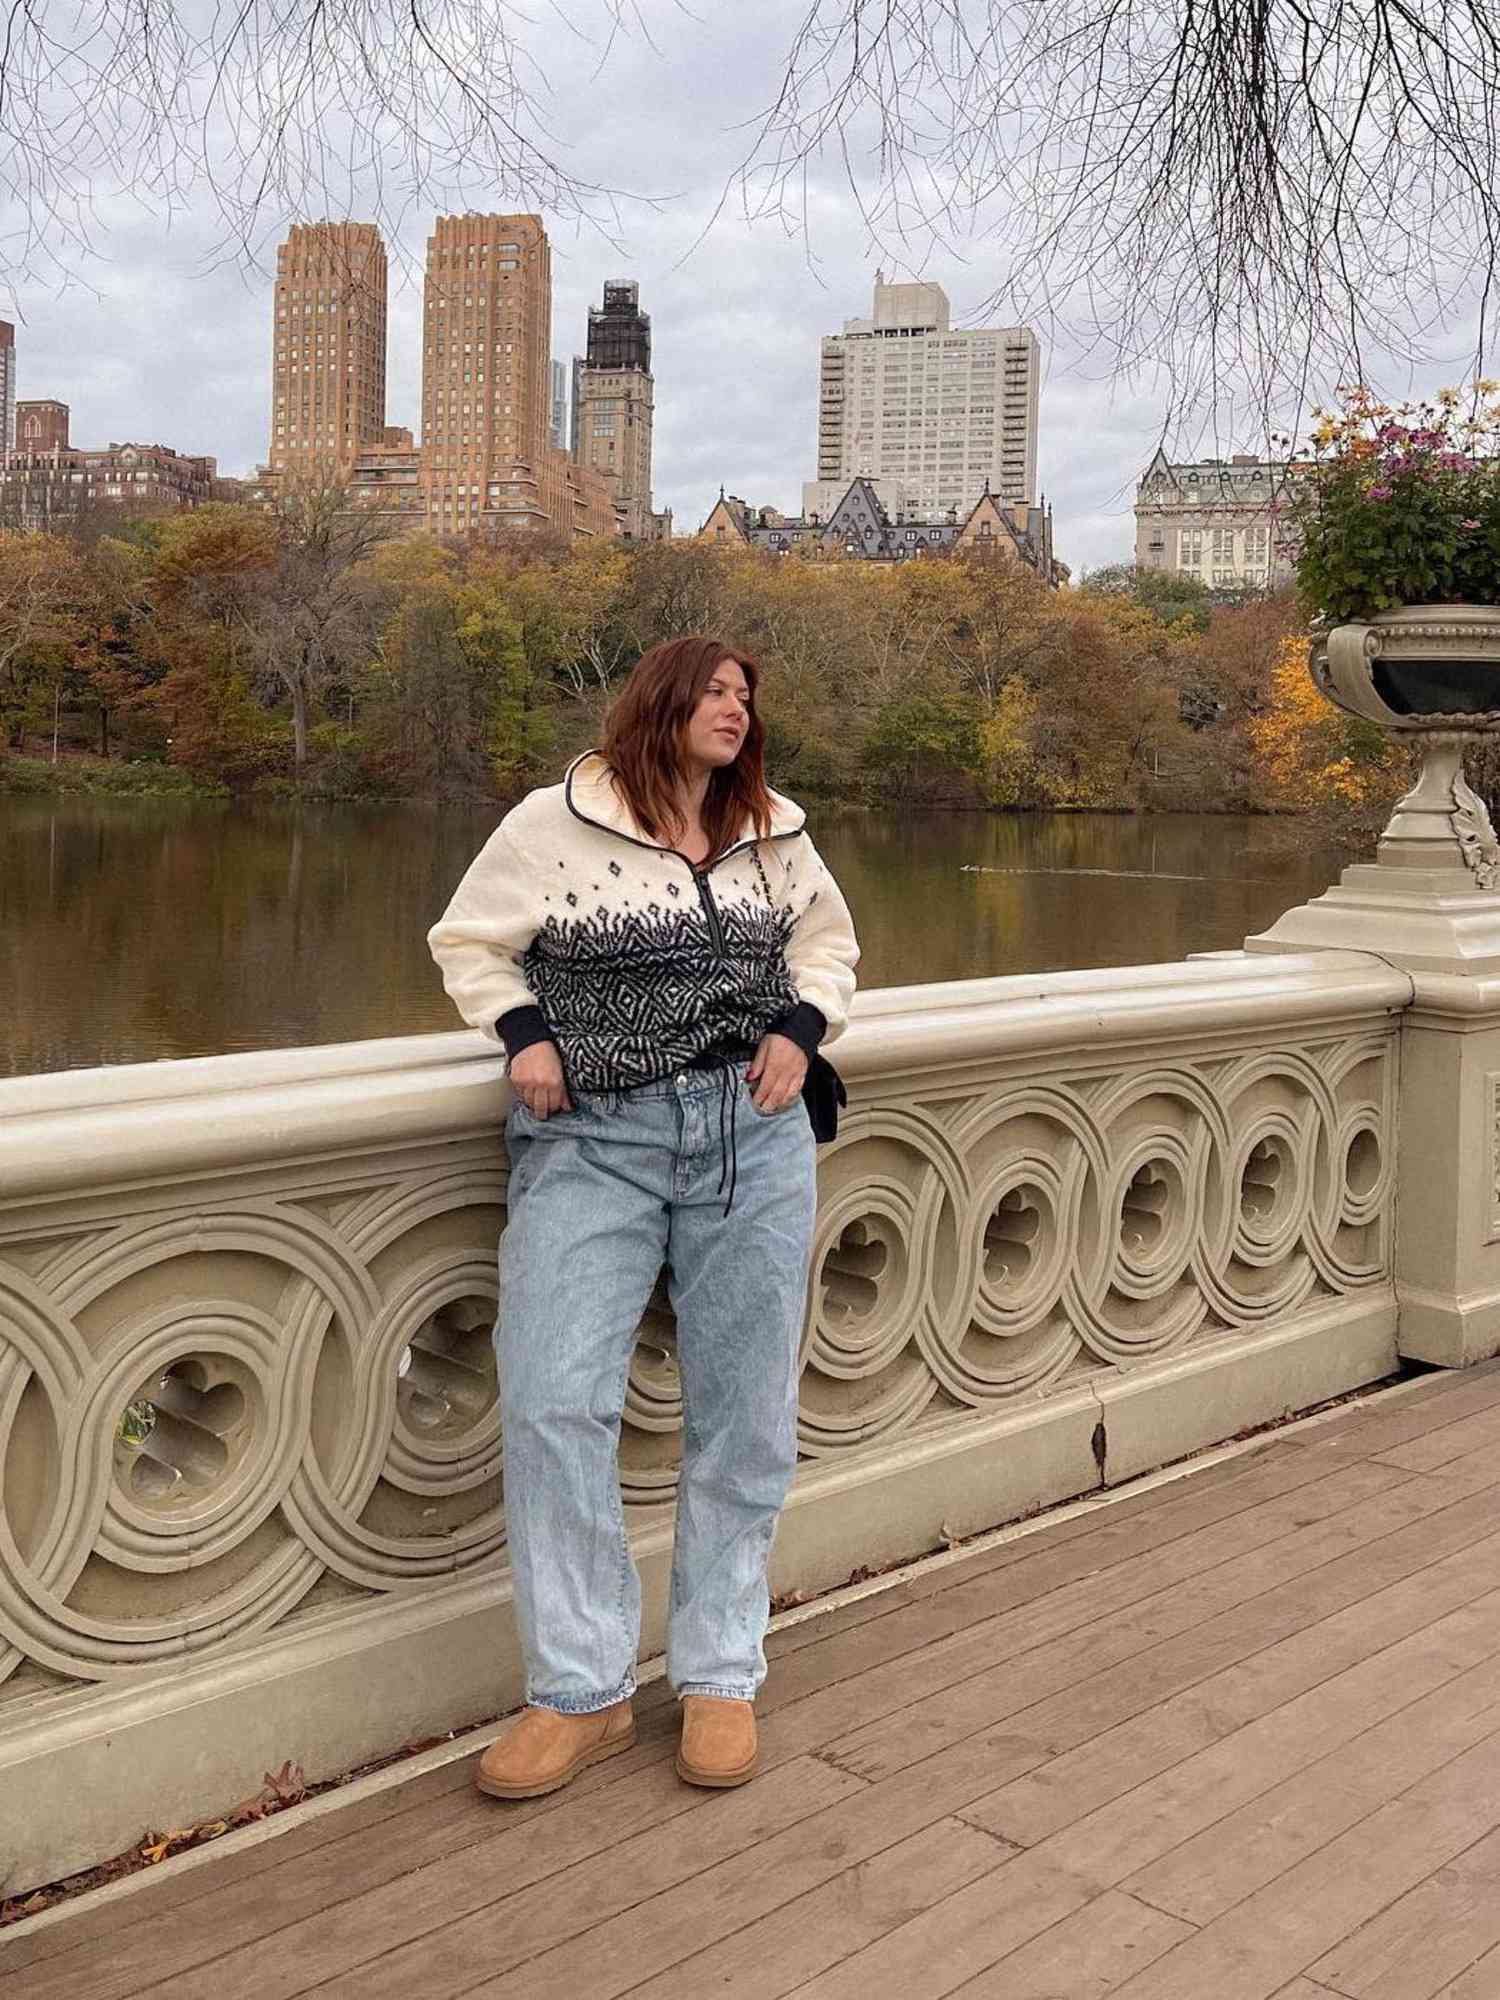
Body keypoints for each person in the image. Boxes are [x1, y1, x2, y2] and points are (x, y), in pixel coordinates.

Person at [427, 635, 859, 1799]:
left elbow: (829, 946)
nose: (737, 706)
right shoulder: (549, 824)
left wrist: (802, 1027)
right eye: (717, 689)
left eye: (747, 694)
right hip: (594, 1138)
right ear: (663, 702)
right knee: (557, 1395)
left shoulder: (776, 830)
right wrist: (524, 1034)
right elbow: (469, 941)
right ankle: (583, 1688)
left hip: (752, 1134)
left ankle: (719, 1670)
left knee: (745, 1408)